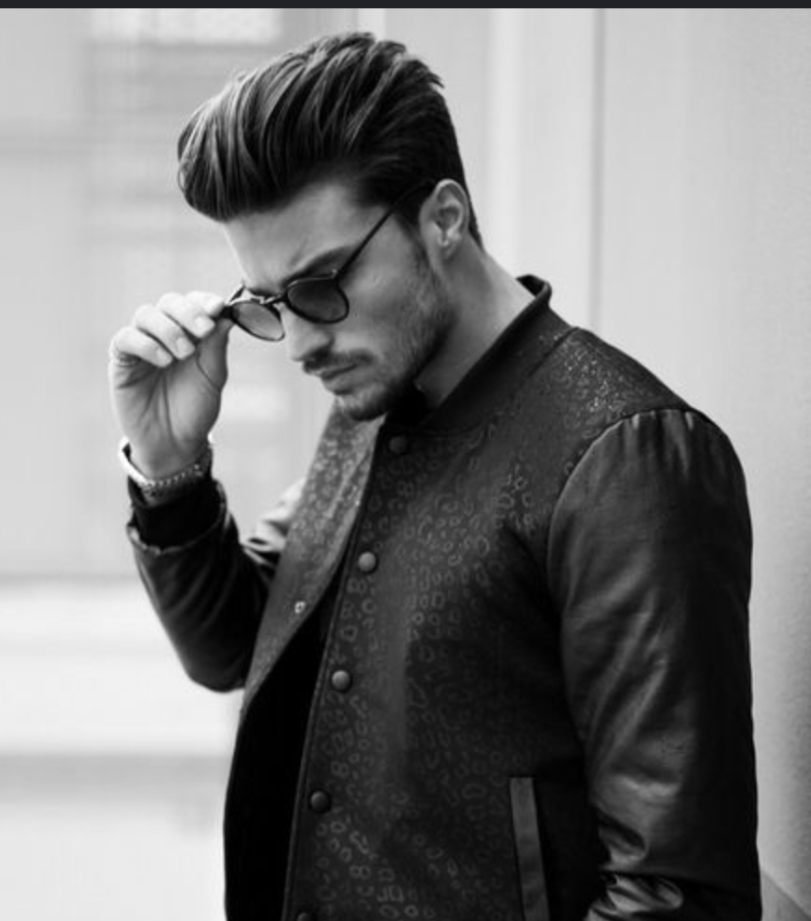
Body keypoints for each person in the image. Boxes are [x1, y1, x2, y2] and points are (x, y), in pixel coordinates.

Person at [107, 31, 760, 921]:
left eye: (321, 284)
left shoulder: (626, 456)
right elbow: (238, 646)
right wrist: (168, 465)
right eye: (271, 304)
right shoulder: (371, 399)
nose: (299, 344)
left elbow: (674, 893)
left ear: (443, 218)